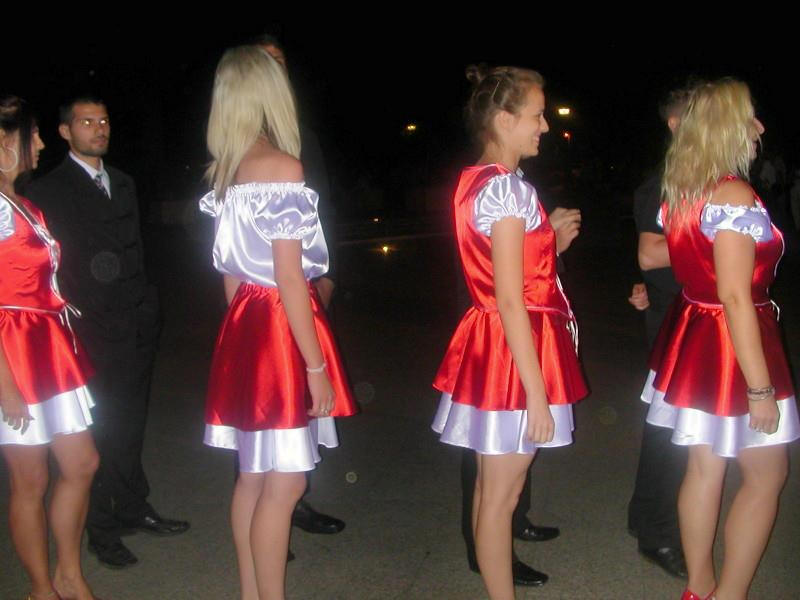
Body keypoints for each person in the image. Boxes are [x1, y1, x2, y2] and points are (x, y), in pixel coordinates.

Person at [199, 46, 357, 600]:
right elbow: (290, 277)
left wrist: (242, 342)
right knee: (285, 483)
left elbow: (228, 275)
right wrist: (315, 367)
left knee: (252, 476)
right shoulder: (282, 167)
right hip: (280, 325)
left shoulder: (228, 171)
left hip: (245, 321)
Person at [432, 65, 588, 599]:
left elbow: (509, 278)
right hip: (514, 347)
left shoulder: (477, 180)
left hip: (492, 339)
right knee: (502, 496)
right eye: (536, 115)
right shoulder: (508, 189)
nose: (544, 126)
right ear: (504, 119)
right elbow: (511, 297)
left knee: (490, 491)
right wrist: (537, 395)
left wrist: (550, 246)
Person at [642, 78, 800, 600]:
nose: (759, 127)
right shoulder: (732, 194)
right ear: (727, 127)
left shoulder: (685, 189)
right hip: (734, 339)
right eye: (750, 117)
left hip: (696, 331)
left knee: (703, 468)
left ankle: (700, 588)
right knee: (767, 475)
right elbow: (735, 297)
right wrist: (760, 389)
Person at [26, 96, 189, 569]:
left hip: (136, 323)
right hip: (91, 331)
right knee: (96, 433)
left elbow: (136, 249)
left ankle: (134, 505)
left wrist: (148, 308)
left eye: (103, 120)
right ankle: (101, 528)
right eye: (86, 122)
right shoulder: (47, 189)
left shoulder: (123, 181)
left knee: (131, 423)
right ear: (65, 131)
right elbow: (52, 266)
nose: (99, 129)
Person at [1, 95, 100, 600]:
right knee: (30, 480)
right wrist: (5, 387)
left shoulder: (22, 203)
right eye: (32, 135)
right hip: (12, 353)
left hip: (48, 345)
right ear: (4, 141)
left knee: (82, 463)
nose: (40, 143)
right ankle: (42, 589)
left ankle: (68, 573)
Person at [250, 33, 345, 539]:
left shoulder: (299, 133)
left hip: (301, 284)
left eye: (280, 61)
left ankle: (290, 506)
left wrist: (328, 277)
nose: (275, 69)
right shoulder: (242, 144)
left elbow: (324, 206)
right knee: (269, 407)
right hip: (266, 296)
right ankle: (274, 517)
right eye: (264, 62)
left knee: (297, 410)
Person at [627, 87, 691, 579]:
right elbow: (650, 254)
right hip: (677, 321)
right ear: (676, 124)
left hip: (693, 315)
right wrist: (721, 236)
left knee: (675, 430)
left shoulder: (698, 180)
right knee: (670, 432)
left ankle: (647, 518)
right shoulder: (665, 183)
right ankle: (657, 531)